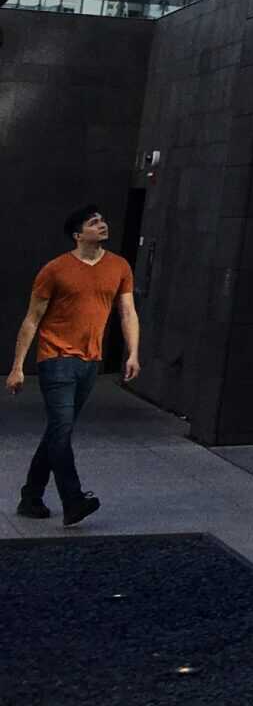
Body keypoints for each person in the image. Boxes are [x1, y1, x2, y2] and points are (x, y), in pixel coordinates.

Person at [8, 203, 139, 526]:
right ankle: (73, 500)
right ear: (78, 234)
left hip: (90, 362)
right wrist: (17, 367)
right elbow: (32, 319)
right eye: (94, 222)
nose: (102, 225)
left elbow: (127, 312)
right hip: (56, 359)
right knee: (61, 430)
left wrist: (133, 352)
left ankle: (30, 498)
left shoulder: (119, 266)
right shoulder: (54, 270)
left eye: (103, 220)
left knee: (57, 431)